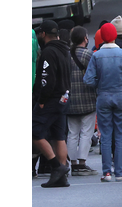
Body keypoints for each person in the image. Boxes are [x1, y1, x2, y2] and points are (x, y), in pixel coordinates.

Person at [83, 23, 122, 182]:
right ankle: (120, 172)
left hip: (104, 96)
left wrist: (99, 85)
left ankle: (106, 172)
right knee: (121, 134)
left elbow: (88, 79)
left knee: (105, 135)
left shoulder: (96, 56)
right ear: (115, 36)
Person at [33, 20, 74, 187]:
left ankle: (57, 167)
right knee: (58, 136)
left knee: (34, 131)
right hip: (64, 97)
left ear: (43, 34)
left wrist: (42, 100)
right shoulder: (65, 50)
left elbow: (46, 79)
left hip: (51, 99)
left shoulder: (48, 52)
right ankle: (61, 175)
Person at [66, 26, 99, 177]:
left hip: (70, 100)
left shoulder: (66, 55)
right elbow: (95, 74)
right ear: (85, 39)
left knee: (72, 133)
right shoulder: (88, 54)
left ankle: (72, 163)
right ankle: (82, 163)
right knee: (86, 132)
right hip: (87, 99)